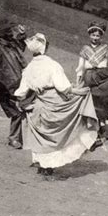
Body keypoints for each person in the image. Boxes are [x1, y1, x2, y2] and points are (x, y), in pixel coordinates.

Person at [14, 33, 99, 176]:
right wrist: (79, 92)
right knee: (57, 134)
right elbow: (63, 87)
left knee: (42, 135)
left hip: (39, 104)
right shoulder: (53, 65)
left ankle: (42, 164)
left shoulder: (29, 68)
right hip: (54, 103)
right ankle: (49, 166)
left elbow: (22, 91)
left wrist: (21, 102)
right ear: (46, 48)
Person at [0, 18, 28, 149]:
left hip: (18, 81)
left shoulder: (11, 42)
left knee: (21, 109)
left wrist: (22, 35)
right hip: (6, 84)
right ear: (1, 33)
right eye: (8, 30)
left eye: (10, 30)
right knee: (17, 110)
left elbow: (21, 46)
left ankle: (17, 138)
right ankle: (14, 139)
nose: (10, 32)